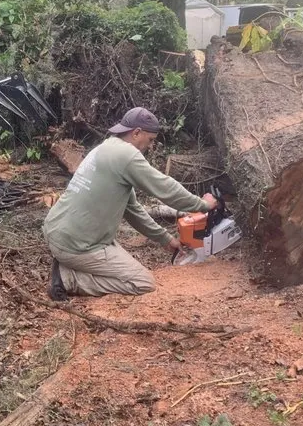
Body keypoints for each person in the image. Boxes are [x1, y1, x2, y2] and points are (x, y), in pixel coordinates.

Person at [42, 107, 217, 300]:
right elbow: (165, 187)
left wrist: (166, 239)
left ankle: (68, 263)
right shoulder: (127, 155)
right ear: (136, 133)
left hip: (58, 231)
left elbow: (133, 210)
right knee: (142, 283)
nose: (150, 146)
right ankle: (67, 279)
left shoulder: (106, 148)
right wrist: (203, 204)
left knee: (122, 266)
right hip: (77, 244)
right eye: (150, 139)